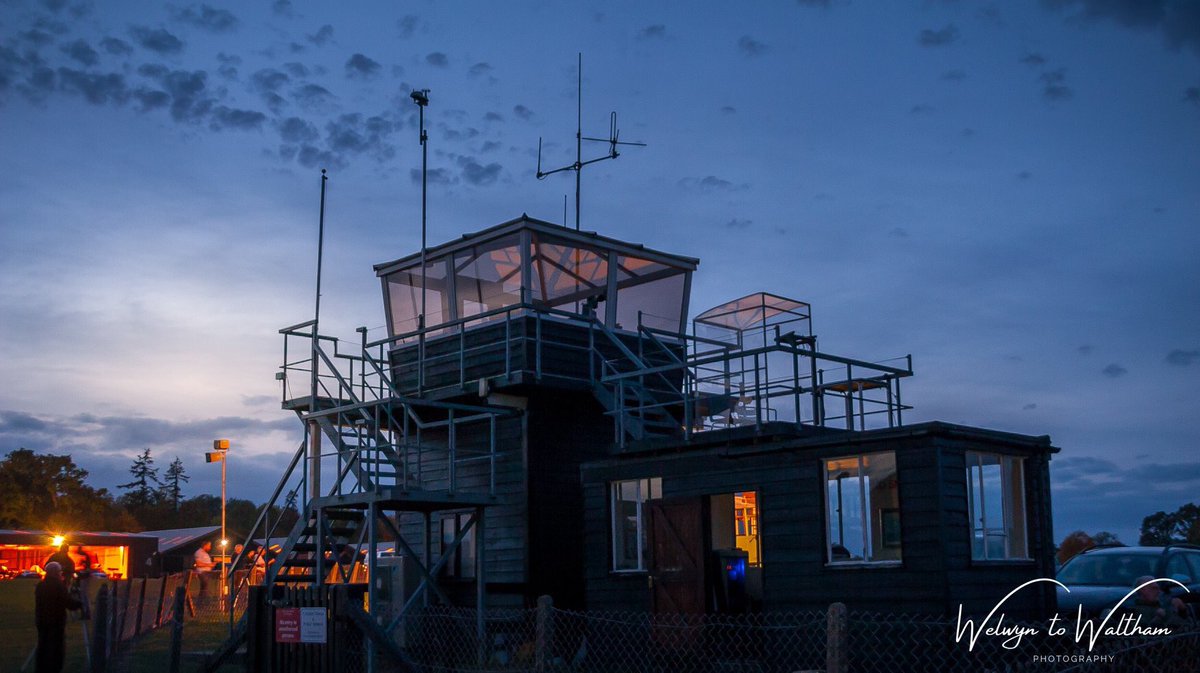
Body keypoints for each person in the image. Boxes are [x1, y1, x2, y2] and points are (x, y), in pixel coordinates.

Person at [35, 562, 81, 673]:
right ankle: (54, 668)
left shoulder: (40, 586)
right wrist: (80, 603)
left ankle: (40, 668)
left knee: (43, 645)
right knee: (56, 648)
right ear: (56, 573)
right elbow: (68, 603)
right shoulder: (59, 586)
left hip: (41, 620)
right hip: (56, 621)